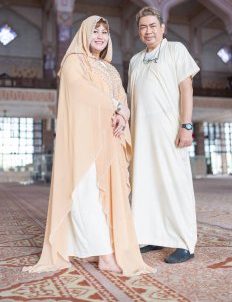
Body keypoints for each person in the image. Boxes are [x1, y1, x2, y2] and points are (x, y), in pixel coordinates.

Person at [23, 15, 155, 276]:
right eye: (95, 30)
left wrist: (123, 113)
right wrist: (115, 106)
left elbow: (121, 98)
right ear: (84, 34)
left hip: (110, 139)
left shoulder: (111, 69)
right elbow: (80, 89)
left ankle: (99, 248)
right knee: (88, 196)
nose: (100, 36)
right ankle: (105, 257)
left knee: (109, 197)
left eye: (105, 32)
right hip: (84, 141)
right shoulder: (74, 61)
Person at [128, 6, 200, 264]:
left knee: (174, 184)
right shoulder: (135, 60)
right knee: (145, 184)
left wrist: (186, 125)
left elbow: (186, 88)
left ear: (162, 28)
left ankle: (183, 242)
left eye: (152, 26)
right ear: (139, 32)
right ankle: (151, 235)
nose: (148, 31)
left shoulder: (175, 50)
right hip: (141, 135)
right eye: (143, 27)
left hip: (170, 132)